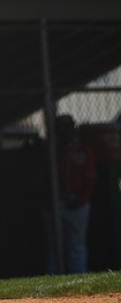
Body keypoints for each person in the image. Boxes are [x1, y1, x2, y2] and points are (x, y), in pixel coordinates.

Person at [40, 114, 96, 275]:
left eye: (67, 127)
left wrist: (81, 201)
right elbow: (43, 180)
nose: (65, 131)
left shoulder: (83, 151)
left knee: (76, 245)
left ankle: (78, 279)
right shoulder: (51, 151)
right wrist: (47, 201)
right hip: (55, 203)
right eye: (61, 127)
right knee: (53, 246)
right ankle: (53, 280)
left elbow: (89, 180)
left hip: (76, 203)